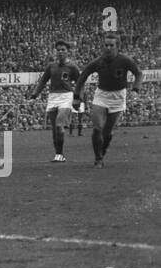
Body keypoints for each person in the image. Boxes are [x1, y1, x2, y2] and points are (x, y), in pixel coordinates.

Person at [72, 33, 143, 168]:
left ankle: (103, 150)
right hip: (101, 95)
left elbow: (138, 73)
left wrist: (135, 89)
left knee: (107, 132)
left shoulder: (125, 60)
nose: (108, 48)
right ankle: (98, 159)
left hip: (118, 96)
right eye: (106, 45)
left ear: (118, 46)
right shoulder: (97, 62)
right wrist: (76, 97)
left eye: (111, 45)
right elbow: (82, 77)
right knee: (97, 128)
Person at [27, 40, 81, 163]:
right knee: (54, 129)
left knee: (59, 125)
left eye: (63, 50)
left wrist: (78, 98)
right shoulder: (51, 66)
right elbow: (42, 81)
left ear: (68, 51)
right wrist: (34, 95)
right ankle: (59, 154)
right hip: (53, 97)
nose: (60, 52)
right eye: (58, 50)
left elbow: (80, 83)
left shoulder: (72, 67)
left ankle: (60, 155)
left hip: (66, 97)